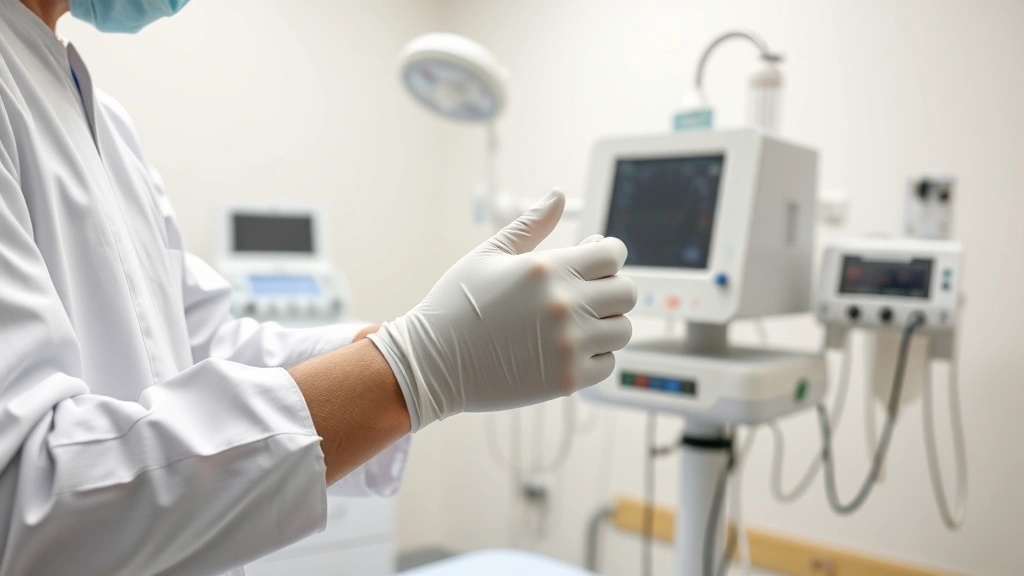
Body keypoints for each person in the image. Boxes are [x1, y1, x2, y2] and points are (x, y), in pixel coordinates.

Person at [0, 0, 637, 574]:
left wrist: (421, 338)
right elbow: (26, 496)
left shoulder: (102, 118)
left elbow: (196, 346)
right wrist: (413, 368)